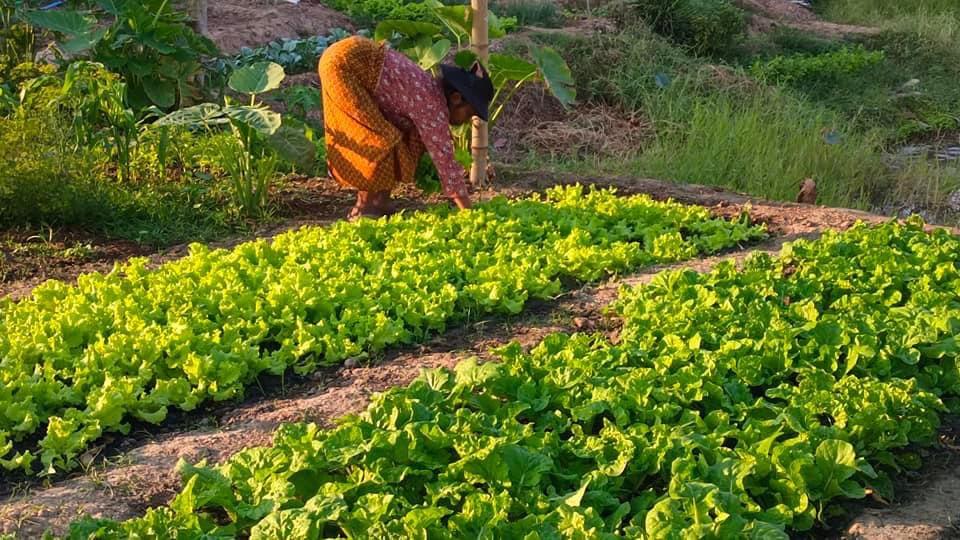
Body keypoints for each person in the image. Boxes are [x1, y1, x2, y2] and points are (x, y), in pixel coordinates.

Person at [318, 35, 495, 220]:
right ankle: (365, 207)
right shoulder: (432, 107)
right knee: (377, 141)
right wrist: (469, 213)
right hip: (344, 65)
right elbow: (446, 162)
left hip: (349, 58)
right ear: (456, 98)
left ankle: (380, 200)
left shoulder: (430, 91)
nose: (467, 120)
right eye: (469, 113)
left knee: (401, 136)